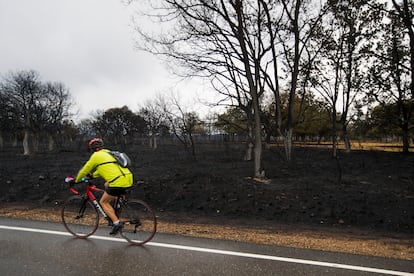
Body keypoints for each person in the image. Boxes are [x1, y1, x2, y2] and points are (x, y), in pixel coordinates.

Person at [74, 137, 133, 235]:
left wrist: (76, 180)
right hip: (128, 178)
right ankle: (116, 208)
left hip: (117, 182)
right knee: (107, 184)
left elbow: (85, 170)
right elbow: (104, 168)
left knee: (103, 202)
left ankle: (116, 223)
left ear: (92, 148)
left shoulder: (96, 156)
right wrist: (93, 175)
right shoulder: (109, 153)